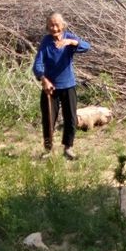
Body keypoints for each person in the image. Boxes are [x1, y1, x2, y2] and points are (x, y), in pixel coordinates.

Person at [32, 12, 91, 157]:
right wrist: (43, 79)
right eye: (51, 25)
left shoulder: (69, 38)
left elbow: (86, 47)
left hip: (68, 85)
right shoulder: (46, 42)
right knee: (48, 119)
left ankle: (68, 148)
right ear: (47, 27)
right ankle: (48, 149)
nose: (54, 28)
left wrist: (72, 42)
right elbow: (37, 64)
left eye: (56, 24)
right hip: (50, 88)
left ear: (62, 25)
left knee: (70, 118)